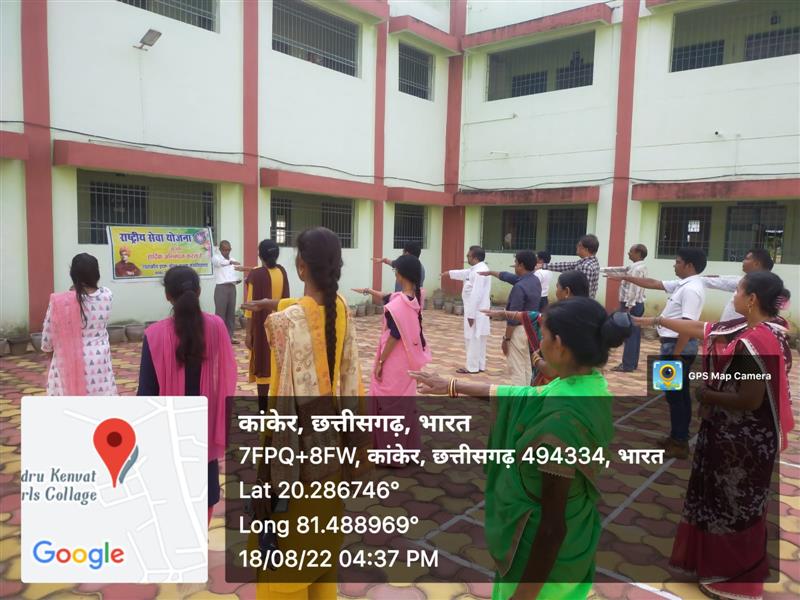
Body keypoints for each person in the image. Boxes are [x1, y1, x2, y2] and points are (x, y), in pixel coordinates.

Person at [412, 297, 632, 600]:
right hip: (575, 535)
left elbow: (552, 528)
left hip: (540, 562)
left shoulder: (562, 424)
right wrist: (452, 385)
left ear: (560, 344)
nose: (539, 343)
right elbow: (519, 395)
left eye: (544, 335)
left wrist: (524, 595)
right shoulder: (587, 384)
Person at [634, 271, 793, 600]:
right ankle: (719, 568)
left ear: (751, 299)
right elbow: (703, 329)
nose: (733, 296)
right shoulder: (762, 330)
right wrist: (652, 320)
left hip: (741, 444)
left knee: (732, 508)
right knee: (731, 505)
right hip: (737, 437)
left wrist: (706, 395)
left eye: (738, 291)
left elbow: (750, 398)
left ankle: (732, 579)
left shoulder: (753, 342)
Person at [241, 227, 367, 600]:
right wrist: (274, 303)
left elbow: (297, 317)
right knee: (321, 553)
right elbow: (310, 312)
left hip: (294, 457)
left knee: (285, 563)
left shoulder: (283, 323)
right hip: (333, 449)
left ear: (300, 267)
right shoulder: (342, 308)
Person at [136, 266, 237, 524]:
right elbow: (227, 374)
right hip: (205, 425)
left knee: (170, 495)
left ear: (167, 296)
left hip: (169, 431)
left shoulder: (154, 335)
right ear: (199, 292)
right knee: (205, 495)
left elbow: (146, 392)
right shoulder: (216, 326)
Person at [607, 247, 707, 459]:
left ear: (689, 265)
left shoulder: (691, 289)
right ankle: (677, 436)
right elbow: (654, 283)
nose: (674, 265)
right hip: (672, 346)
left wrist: (676, 354)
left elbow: (687, 325)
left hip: (676, 347)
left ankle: (679, 441)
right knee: (676, 394)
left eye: (678, 262)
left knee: (675, 396)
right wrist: (626, 277)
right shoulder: (683, 284)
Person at [354, 255, 431, 462]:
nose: (394, 272)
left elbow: (394, 336)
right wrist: (368, 291)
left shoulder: (397, 306)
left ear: (400, 274)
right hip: (408, 359)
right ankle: (405, 449)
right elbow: (388, 296)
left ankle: (389, 454)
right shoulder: (416, 296)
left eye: (395, 270)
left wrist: (381, 362)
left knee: (387, 402)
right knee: (403, 404)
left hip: (394, 359)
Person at [482, 270, 590, 386]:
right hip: (588, 384)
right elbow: (537, 316)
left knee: (519, 368)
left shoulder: (560, 319)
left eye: (557, 287)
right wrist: (504, 314)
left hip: (561, 386)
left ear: (567, 291)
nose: (556, 291)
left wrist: (536, 359)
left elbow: (551, 370)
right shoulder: (592, 316)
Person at [41, 253, 117, 396]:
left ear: (73, 275)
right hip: (99, 363)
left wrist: (51, 356)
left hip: (68, 363)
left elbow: (47, 339)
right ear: (97, 274)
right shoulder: (107, 296)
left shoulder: (60, 302)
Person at [479, 251, 541, 386]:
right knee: (526, 365)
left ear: (521, 265)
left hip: (519, 331)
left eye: (516, 263)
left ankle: (518, 396)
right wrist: (491, 272)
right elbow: (506, 276)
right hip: (531, 329)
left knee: (517, 368)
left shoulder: (519, 287)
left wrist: (506, 339)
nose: (514, 266)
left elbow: (513, 317)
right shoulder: (534, 280)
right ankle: (527, 394)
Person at [244, 240, 289, 412]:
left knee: (262, 364)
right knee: (278, 363)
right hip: (280, 325)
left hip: (262, 326)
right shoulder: (282, 271)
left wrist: (248, 333)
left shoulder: (256, 275)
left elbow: (250, 307)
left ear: (260, 255)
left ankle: (263, 409)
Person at [441, 246, 491, 374]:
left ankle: (472, 367)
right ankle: (479, 365)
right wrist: (449, 273)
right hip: (477, 311)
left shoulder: (480, 271)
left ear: (475, 258)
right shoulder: (477, 269)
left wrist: (471, 315)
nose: (467, 257)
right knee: (479, 338)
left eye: (468, 256)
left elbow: (476, 294)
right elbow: (465, 273)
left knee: (473, 338)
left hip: (475, 312)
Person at [601, 244, 648, 372]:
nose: (628, 253)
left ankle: (627, 365)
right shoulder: (637, 267)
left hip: (631, 305)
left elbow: (633, 289)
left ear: (638, 253)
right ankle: (632, 363)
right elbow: (621, 269)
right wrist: (602, 270)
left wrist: (628, 307)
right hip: (636, 304)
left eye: (631, 251)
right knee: (635, 335)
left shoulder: (637, 269)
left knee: (629, 335)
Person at [702, 248, 775, 322]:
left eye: (747, 259)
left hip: (741, 327)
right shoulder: (746, 280)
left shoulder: (762, 286)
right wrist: (702, 279)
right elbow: (725, 281)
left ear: (756, 264)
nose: (743, 261)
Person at [543, 234, 600, 298]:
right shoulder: (591, 262)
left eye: (579, 245)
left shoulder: (586, 266)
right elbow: (567, 266)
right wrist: (543, 266)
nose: (576, 247)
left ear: (586, 249)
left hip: (580, 302)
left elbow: (582, 292)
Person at [212, 240, 246, 342]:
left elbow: (235, 272)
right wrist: (230, 262)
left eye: (228, 250)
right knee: (220, 315)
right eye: (225, 250)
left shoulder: (233, 259)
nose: (227, 252)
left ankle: (229, 337)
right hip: (221, 288)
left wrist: (237, 280)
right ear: (220, 249)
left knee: (230, 314)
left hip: (231, 288)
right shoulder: (216, 258)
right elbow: (220, 263)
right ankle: (219, 338)